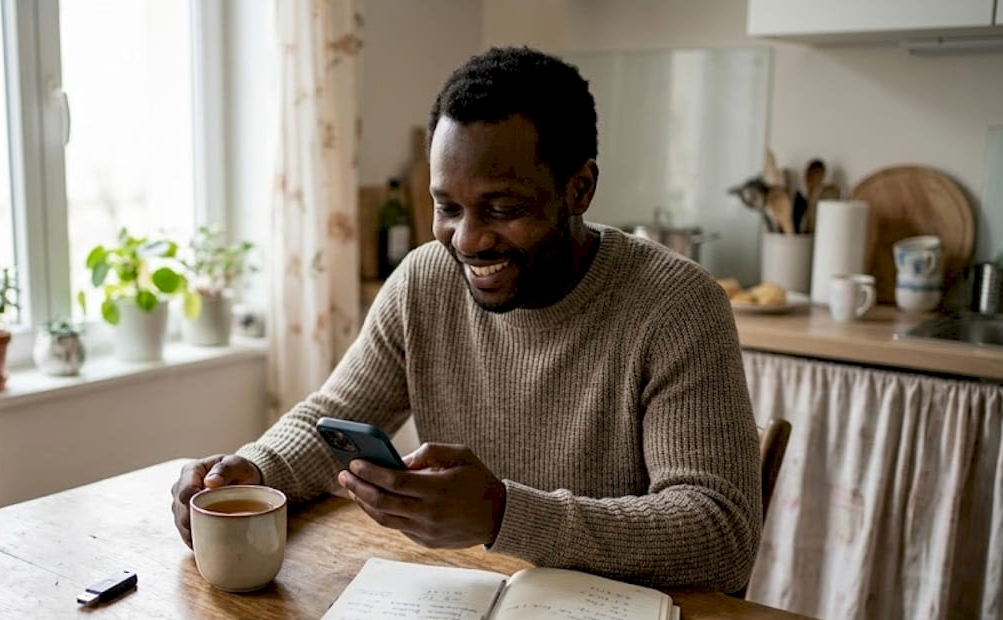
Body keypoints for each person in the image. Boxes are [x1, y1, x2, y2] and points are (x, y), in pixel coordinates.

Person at [171, 46, 760, 592]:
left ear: (579, 188)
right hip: (463, 597)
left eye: (503, 209)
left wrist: (505, 514)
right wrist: (251, 470)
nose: (469, 239)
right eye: (446, 207)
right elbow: (334, 417)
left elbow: (721, 533)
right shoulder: (425, 280)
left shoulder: (677, 305)